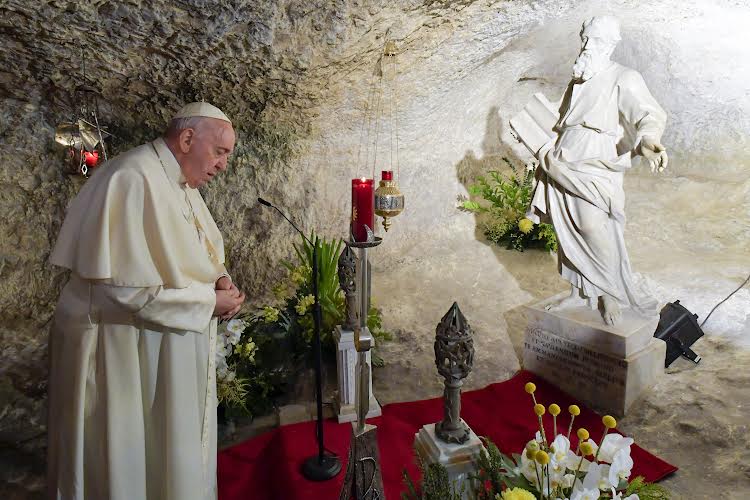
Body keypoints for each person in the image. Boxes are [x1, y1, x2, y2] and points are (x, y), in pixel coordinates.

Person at [46, 102, 246, 499]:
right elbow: (122, 291)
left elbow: (196, 251)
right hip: (118, 352)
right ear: (187, 139)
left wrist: (219, 278)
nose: (223, 165)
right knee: (128, 463)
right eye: (220, 152)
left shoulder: (180, 183)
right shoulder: (131, 177)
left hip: (158, 350)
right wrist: (208, 303)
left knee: (164, 459)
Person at [527, 16, 668, 326]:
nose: (588, 45)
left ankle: (609, 293)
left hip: (595, 160)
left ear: (611, 44)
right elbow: (563, 118)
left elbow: (648, 114)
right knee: (566, 227)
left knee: (593, 226)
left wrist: (648, 140)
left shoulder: (624, 77)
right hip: (562, 158)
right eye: (586, 39)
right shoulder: (578, 79)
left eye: (597, 40)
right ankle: (580, 293)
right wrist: (531, 127)